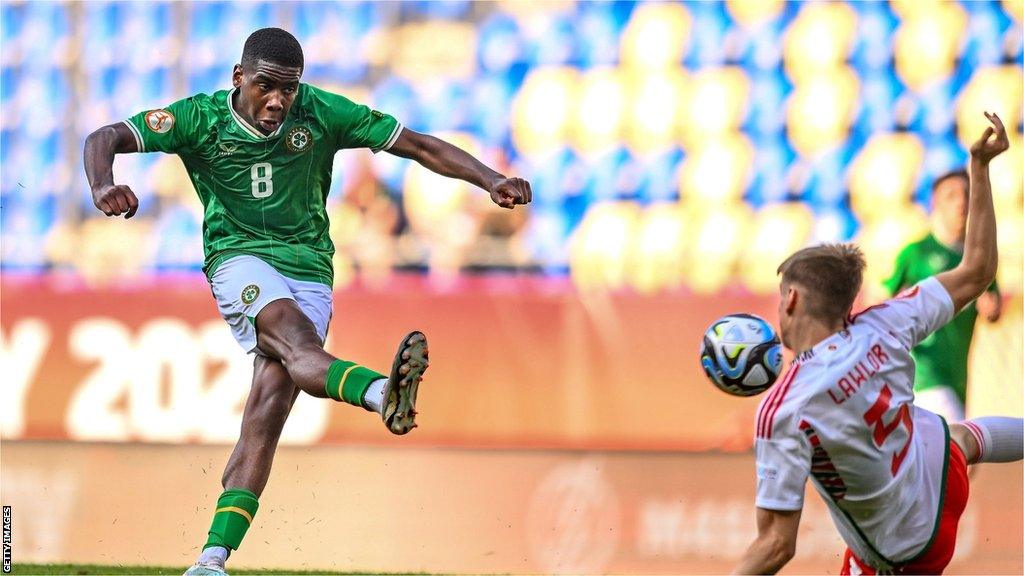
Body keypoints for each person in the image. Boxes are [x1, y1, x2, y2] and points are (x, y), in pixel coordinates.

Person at [82, 28, 532, 576]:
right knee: (295, 344)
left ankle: (210, 560)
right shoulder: (198, 119)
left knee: (265, 415)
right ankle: (381, 392)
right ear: (238, 78)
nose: (278, 101)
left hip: (311, 268)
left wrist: (490, 179)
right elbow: (104, 136)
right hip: (238, 257)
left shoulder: (321, 112)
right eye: (267, 87)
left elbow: (417, 145)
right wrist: (103, 185)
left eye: (288, 90)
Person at [734, 112, 1022, 575]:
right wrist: (981, 168)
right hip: (944, 476)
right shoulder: (885, 322)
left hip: (907, 550)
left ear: (790, 299)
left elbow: (775, 546)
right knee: (964, 436)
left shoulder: (783, 409)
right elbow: (978, 270)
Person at [884, 168, 1001, 423]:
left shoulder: (980, 260)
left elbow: (993, 307)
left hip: (957, 373)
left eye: (966, 195)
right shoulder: (915, 253)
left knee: (952, 456)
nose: (960, 202)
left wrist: (990, 307)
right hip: (923, 373)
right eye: (951, 195)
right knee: (958, 446)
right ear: (935, 203)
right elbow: (882, 302)